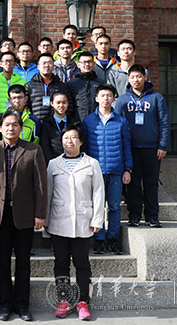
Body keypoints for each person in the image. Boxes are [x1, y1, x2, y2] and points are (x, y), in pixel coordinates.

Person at [0, 109, 48, 322]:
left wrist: (40, 214)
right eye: (7, 124)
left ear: (21, 128)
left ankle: (22, 305)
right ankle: (4, 305)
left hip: (25, 215)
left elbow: (41, 185)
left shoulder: (33, 149)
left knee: (23, 263)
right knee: (2, 263)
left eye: (15, 125)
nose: (10, 128)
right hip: (0, 215)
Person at [44, 125, 104, 321]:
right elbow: (48, 193)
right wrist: (46, 219)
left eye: (73, 137)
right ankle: (64, 300)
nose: (69, 141)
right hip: (59, 221)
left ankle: (83, 302)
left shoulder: (92, 163)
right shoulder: (53, 164)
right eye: (66, 138)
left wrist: (97, 219)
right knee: (61, 263)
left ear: (81, 141)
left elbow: (98, 192)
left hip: (83, 221)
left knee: (82, 263)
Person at [114, 64, 170, 228]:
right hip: (131, 148)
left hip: (152, 148)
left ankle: (152, 216)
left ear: (145, 77)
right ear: (128, 79)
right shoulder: (122, 100)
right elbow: (117, 124)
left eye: (139, 76)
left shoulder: (157, 98)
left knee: (151, 183)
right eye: (132, 77)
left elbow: (164, 123)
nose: (136, 80)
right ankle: (134, 216)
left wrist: (163, 145)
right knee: (133, 183)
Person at [82, 84, 132, 255]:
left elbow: (126, 146)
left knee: (114, 207)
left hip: (116, 170)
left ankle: (112, 239)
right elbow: (85, 148)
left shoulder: (121, 121)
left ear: (114, 99)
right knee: (97, 206)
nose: (106, 99)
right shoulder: (88, 121)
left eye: (109, 95)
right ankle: (99, 240)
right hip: (95, 171)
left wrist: (128, 169)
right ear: (96, 98)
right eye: (102, 95)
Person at [25, 53, 74, 120]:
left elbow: (69, 105)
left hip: (56, 122)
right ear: (38, 66)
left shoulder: (61, 85)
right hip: (36, 122)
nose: (47, 65)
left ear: (53, 65)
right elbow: (25, 106)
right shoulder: (29, 85)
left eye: (49, 63)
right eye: (44, 63)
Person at [67, 51, 103, 121]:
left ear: (94, 64)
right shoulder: (71, 83)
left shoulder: (100, 83)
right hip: (77, 121)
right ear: (78, 65)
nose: (87, 64)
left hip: (97, 120)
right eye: (84, 62)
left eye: (89, 62)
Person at [40, 92, 71, 163]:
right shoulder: (46, 123)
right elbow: (45, 146)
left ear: (68, 103)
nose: (61, 105)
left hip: (72, 161)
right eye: (58, 103)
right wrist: (52, 162)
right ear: (52, 103)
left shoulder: (74, 122)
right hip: (53, 162)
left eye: (64, 102)